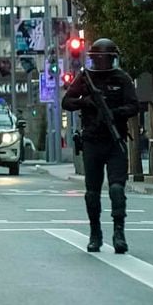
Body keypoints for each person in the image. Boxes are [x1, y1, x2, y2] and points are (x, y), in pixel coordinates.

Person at [61, 38, 139, 254]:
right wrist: (85, 102)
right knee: (92, 193)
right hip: (92, 141)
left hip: (115, 140)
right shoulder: (86, 78)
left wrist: (114, 113)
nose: (103, 62)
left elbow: (134, 106)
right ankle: (95, 233)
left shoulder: (122, 78)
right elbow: (66, 102)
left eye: (107, 58)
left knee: (116, 188)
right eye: (100, 58)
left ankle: (119, 233)